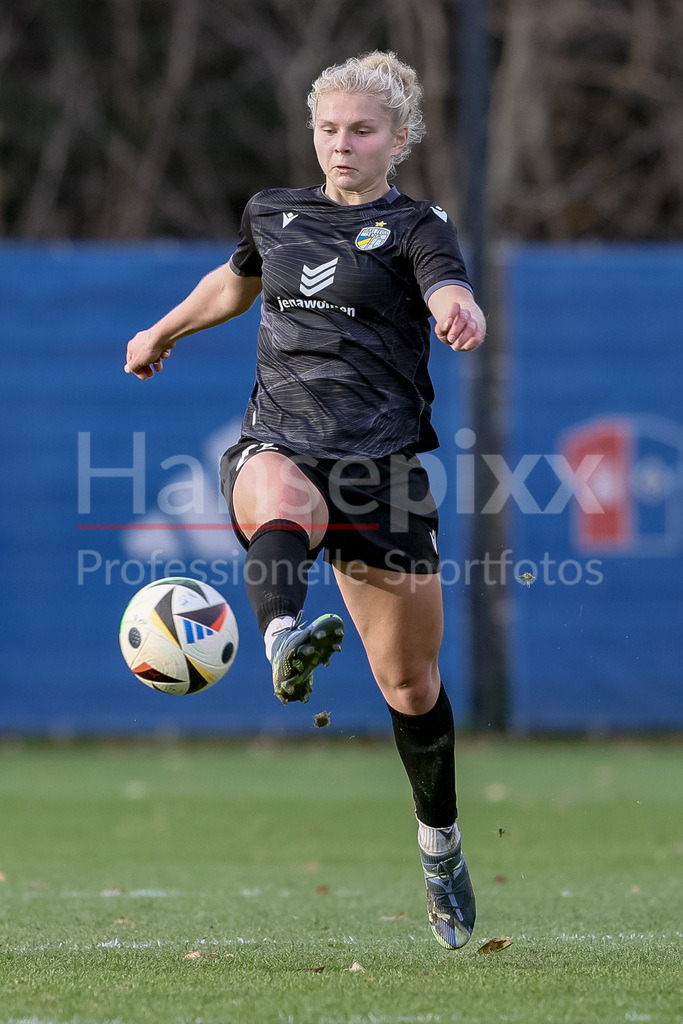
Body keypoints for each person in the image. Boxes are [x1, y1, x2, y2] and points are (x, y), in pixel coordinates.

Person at [124, 51, 486, 950]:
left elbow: (446, 278)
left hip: (382, 469)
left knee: (410, 683)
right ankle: (283, 635)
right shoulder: (273, 213)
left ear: (397, 140)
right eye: (328, 129)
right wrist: (164, 328)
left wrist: (456, 307)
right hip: (280, 438)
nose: (341, 146)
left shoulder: (416, 226)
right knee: (276, 495)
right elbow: (235, 283)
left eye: (361, 131)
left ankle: (437, 841)